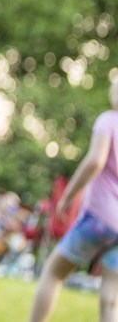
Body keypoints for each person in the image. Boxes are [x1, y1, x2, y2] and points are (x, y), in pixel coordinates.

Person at [28, 75, 118, 322]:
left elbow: (96, 161)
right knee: (111, 298)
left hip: (101, 218)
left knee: (53, 272)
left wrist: (68, 195)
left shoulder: (109, 121)